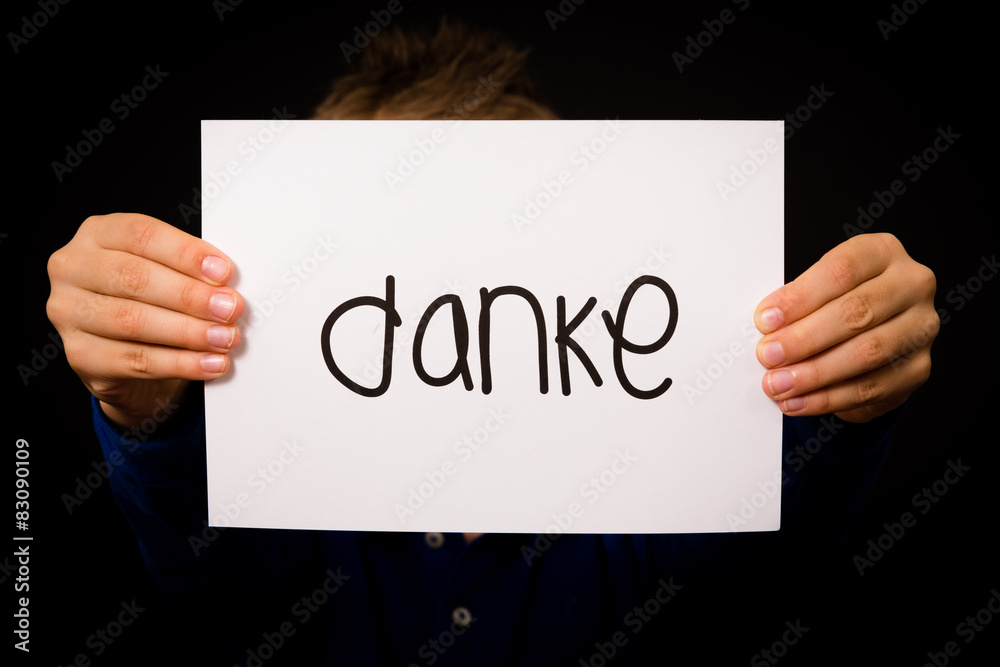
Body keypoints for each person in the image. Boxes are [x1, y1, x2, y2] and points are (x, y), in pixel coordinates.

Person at [46, 19, 938, 665]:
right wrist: (145, 406)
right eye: (397, 235)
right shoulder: (284, 518)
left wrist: (840, 386)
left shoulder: (645, 490)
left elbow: (750, 575)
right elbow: (211, 584)